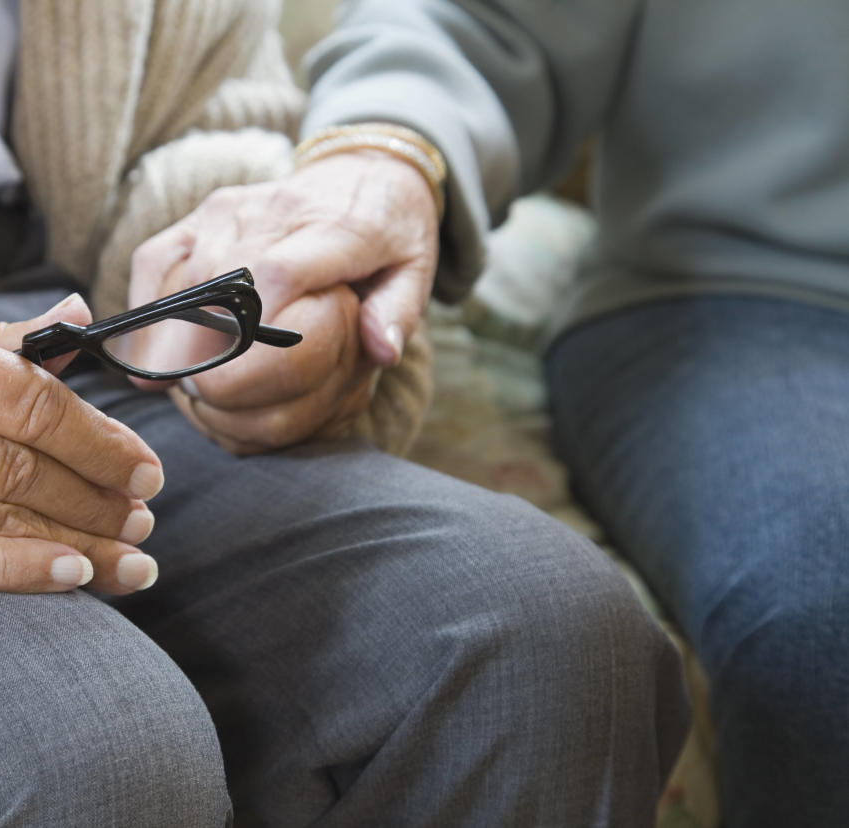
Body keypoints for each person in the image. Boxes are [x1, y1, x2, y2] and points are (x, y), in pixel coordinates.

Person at [0, 1, 688, 824]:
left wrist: (240, 259)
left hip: (77, 335)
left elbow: (211, 115)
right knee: (80, 751)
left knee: (538, 634)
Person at [133, 0, 849, 824]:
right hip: (761, 294)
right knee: (817, 618)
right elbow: (470, 23)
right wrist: (380, 155)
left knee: (545, 625)